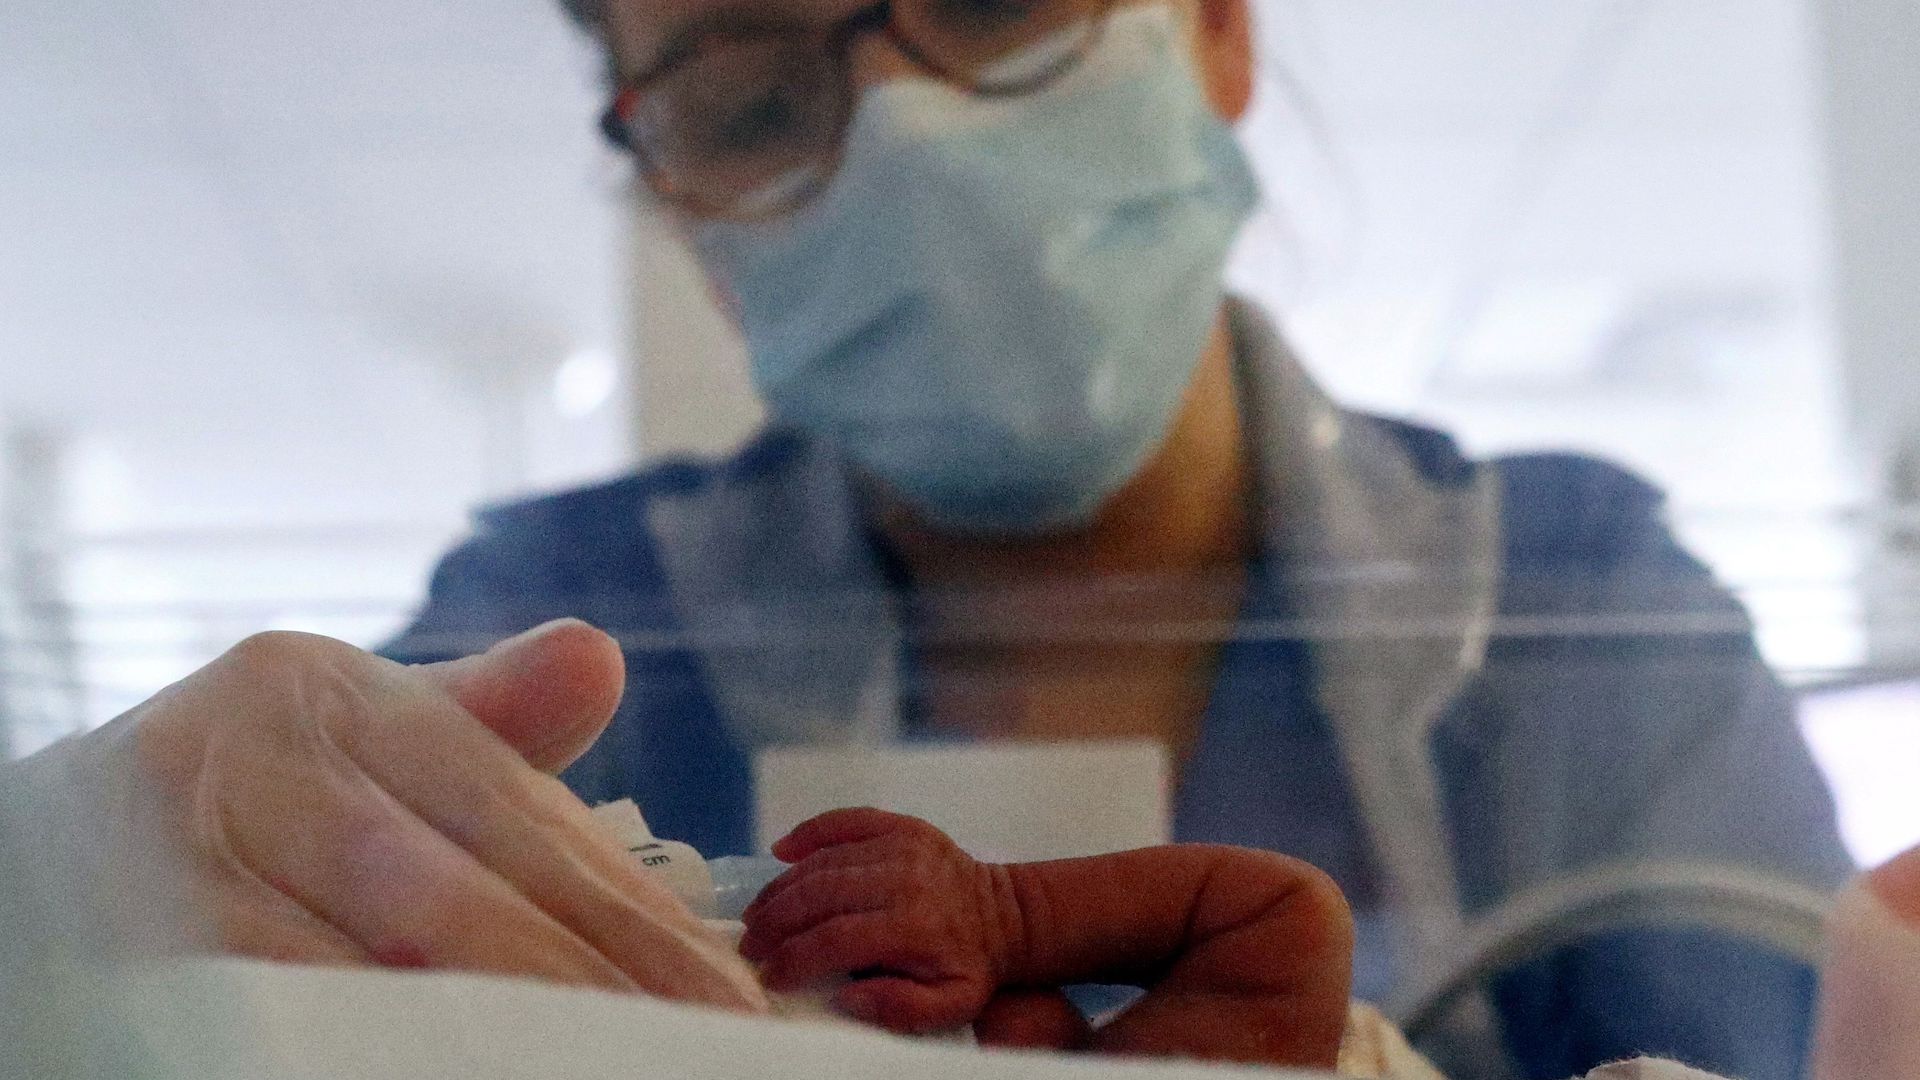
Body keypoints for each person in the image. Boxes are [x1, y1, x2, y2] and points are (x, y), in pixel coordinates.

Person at [377, 0, 1853, 1077]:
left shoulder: (1582, 603)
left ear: (1217, 29)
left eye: (996, 3)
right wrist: (159, 879)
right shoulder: (556, 628)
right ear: (678, 209)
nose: (915, 140)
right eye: (752, 100)